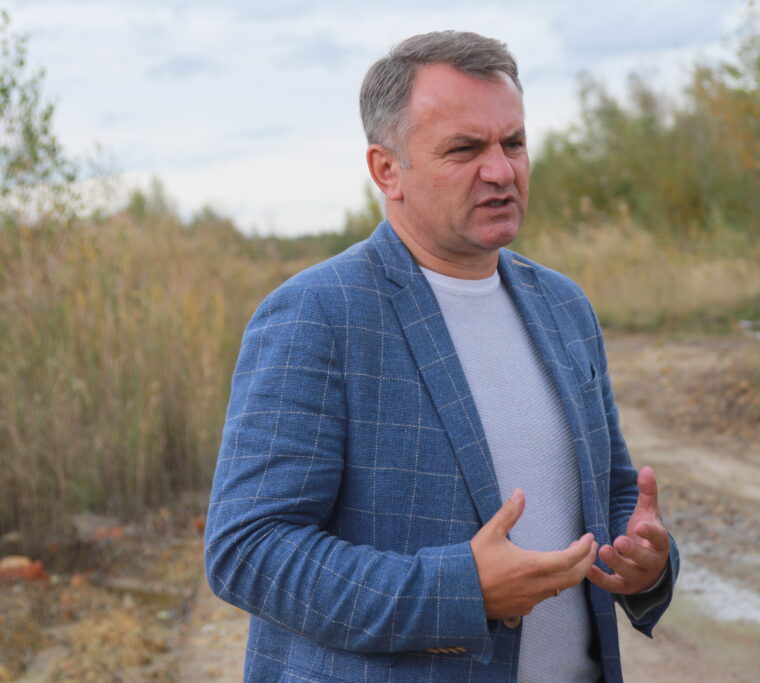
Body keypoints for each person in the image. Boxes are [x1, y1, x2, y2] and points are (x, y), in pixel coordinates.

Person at [204, 30, 680, 682]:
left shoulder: (564, 305)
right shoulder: (317, 314)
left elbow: (613, 488)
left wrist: (643, 558)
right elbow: (248, 549)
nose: (501, 171)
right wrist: (460, 591)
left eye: (513, 142)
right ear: (386, 170)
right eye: (465, 148)